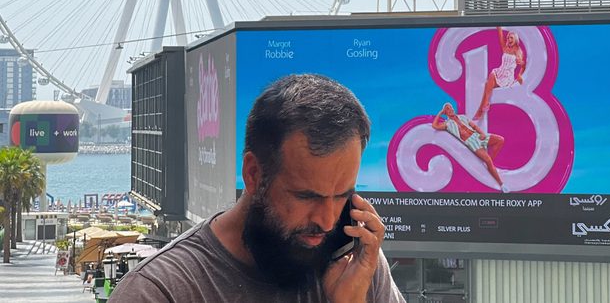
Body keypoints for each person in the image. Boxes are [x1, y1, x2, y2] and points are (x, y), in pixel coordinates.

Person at [110, 74, 404, 302]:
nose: (327, 220)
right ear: (253, 173)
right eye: (306, 196)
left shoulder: (355, 265)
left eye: (342, 196)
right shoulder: (162, 290)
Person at [432, 102, 508, 192]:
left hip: (477, 136)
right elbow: (434, 126)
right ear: (445, 112)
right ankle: (501, 184)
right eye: (448, 109)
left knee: (500, 140)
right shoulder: (447, 124)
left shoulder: (462, 117)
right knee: (487, 160)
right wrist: (440, 112)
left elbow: (474, 126)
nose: (451, 109)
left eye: (451, 107)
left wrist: (482, 134)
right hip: (471, 142)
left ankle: (490, 167)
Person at [472, 26, 526, 120]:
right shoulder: (505, 48)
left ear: (515, 39)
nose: (509, 39)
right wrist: (498, 26)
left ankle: (481, 109)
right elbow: (500, 35)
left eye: (511, 38)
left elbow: (522, 65)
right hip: (500, 72)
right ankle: (483, 107)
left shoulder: (518, 51)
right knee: (489, 81)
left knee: (488, 82)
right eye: (508, 37)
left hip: (507, 76)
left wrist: (520, 74)